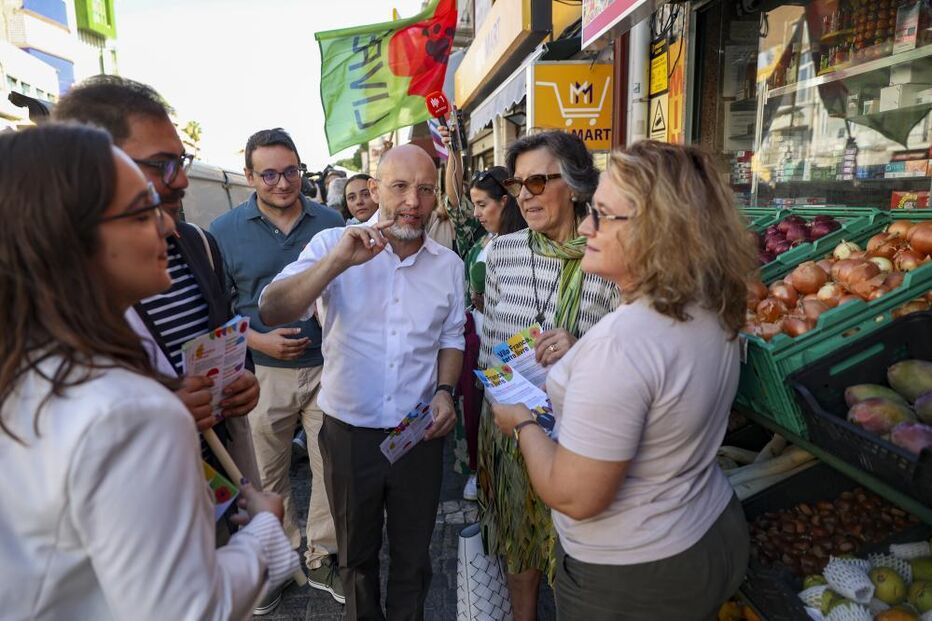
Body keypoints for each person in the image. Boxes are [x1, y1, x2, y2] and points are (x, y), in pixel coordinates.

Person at [0, 123, 298, 621]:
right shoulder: (129, 411)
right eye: (142, 211)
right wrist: (267, 529)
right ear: (71, 237)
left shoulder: (32, 369)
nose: (165, 226)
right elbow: (189, 610)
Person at [491, 141, 754, 620]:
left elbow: (574, 495)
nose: (589, 227)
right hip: (710, 528)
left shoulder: (622, 344)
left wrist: (522, 422)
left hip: (633, 573)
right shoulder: (710, 306)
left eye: (605, 215)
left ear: (658, 230)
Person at [53, 75, 275, 613]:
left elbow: (222, 329)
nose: (177, 183)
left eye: (183, 160)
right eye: (159, 166)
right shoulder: (59, 326)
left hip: (215, 470)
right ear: (94, 170)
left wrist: (237, 377)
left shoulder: (197, 242)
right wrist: (159, 414)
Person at [259, 144, 465, 620]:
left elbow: (451, 337)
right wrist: (337, 264)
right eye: (399, 187)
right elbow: (272, 309)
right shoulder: (334, 245)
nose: (413, 200)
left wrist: (444, 391)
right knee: (356, 558)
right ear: (374, 191)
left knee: (415, 557)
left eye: (425, 189)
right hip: (349, 433)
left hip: (418, 435)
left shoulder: (448, 266)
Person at [477, 131, 620, 620]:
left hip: (585, 430)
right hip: (514, 423)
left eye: (538, 182)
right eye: (519, 185)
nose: (525, 196)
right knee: (520, 545)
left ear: (577, 185)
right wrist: (498, 387)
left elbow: (628, 348)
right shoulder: (503, 251)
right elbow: (492, 337)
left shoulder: (610, 253)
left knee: (576, 550)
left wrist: (578, 351)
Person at [209, 128, 346, 605]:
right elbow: (216, 310)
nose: (283, 183)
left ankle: (322, 555)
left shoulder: (331, 220)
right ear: (250, 176)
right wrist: (259, 338)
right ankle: (281, 556)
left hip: (330, 366)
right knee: (268, 470)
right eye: (269, 174)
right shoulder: (223, 232)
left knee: (332, 466)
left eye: (291, 171)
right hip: (262, 374)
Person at [451, 166, 528, 501]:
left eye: (483, 204)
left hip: (511, 349)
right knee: (475, 414)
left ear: (506, 202)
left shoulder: (527, 245)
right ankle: (479, 470)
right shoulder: (482, 239)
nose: (477, 213)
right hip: (476, 340)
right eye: (475, 205)